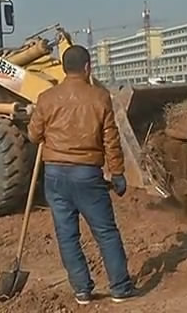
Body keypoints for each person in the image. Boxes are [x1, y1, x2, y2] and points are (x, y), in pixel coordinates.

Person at [28, 45, 138, 305]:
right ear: (87, 67)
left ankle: (82, 290)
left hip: (54, 176)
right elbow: (111, 140)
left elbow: (33, 135)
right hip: (87, 175)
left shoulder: (46, 98)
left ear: (64, 68)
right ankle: (120, 288)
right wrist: (118, 172)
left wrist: (39, 124)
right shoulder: (100, 98)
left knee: (67, 235)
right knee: (106, 232)